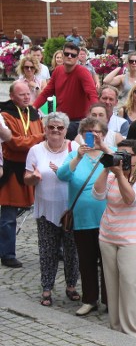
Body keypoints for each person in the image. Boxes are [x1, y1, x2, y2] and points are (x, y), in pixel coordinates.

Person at [93, 138, 136, 338]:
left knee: (129, 283)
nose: (122, 159)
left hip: (133, 240)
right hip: (108, 236)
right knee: (112, 284)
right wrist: (106, 167)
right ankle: (116, 328)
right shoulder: (111, 175)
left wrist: (120, 176)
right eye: (119, 154)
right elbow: (97, 195)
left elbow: (131, 200)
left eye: (126, 155)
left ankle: (132, 332)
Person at [24, 112, 79, 306]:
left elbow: (81, 175)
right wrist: (34, 177)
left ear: (66, 130)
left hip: (70, 210)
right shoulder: (36, 150)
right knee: (48, 251)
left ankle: (71, 286)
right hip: (46, 207)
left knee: (72, 251)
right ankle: (46, 288)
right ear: (45, 129)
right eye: (51, 127)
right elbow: (27, 177)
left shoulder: (74, 148)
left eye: (60, 127)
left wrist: (63, 172)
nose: (55, 130)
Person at [57, 117, 109, 316]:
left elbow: (122, 165)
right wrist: (78, 157)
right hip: (82, 218)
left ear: (103, 134)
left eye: (96, 132)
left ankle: (109, 299)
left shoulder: (108, 152)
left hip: (107, 218)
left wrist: (104, 148)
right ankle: (90, 300)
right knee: (86, 261)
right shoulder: (73, 154)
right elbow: (62, 175)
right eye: (88, 132)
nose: (92, 136)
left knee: (108, 263)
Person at [0, 80, 43, 268]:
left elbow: (30, 141)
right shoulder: (5, 115)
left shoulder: (35, 114)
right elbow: (14, 143)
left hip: (32, 168)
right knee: (8, 216)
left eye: (28, 93)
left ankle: (55, 250)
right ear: (12, 96)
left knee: (44, 212)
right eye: (21, 94)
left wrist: (31, 140)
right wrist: (39, 138)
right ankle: (7, 254)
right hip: (12, 170)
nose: (26, 97)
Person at [32, 43, 98, 139]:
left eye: (73, 55)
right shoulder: (57, 71)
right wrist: (33, 108)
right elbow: (46, 93)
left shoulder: (83, 72)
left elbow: (92, 94)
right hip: (61, 120)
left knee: (81, 148)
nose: (69, 57)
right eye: (67, 54)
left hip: (80, 121)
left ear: (77, 58)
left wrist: (95, 115)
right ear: (63, 55)